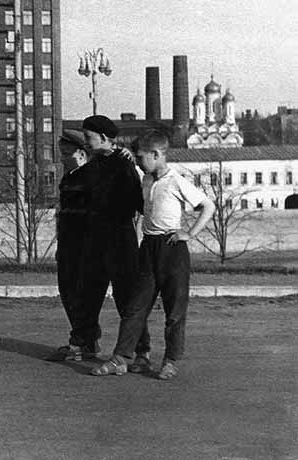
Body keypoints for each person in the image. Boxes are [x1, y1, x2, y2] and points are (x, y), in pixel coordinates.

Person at [92, 131, 214, 379]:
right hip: (147, 250)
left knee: (175, 310)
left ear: (157, 155)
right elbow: (129, 165)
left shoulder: (176, 180)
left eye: (141, 157)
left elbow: (207, 206)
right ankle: (121, 358)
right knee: (135, 307)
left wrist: (189, 234)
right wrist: (125, 154)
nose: (138, 161)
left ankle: (170, 361)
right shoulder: (146, 179)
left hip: (172, 249)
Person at [50, 115, 145, 361]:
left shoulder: (124, 165)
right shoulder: (93, 166)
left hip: (120, 238)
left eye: (90, 137)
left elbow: (139, 202)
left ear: (103, 138)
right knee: (87, 294)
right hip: (94, 239)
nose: (87, 142)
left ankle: (140, 349)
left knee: (127, 295)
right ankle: (82, 343)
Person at [47, 130, 95, 361]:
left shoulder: (91, 177)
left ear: (81, 153)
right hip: (67, 244)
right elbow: (63, 214)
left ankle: (81, 342)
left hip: (84, 245)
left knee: (81, 294)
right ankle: (85, 340)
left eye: (66, 154)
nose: (62, 158)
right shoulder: (68, 178)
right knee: (67, 292)